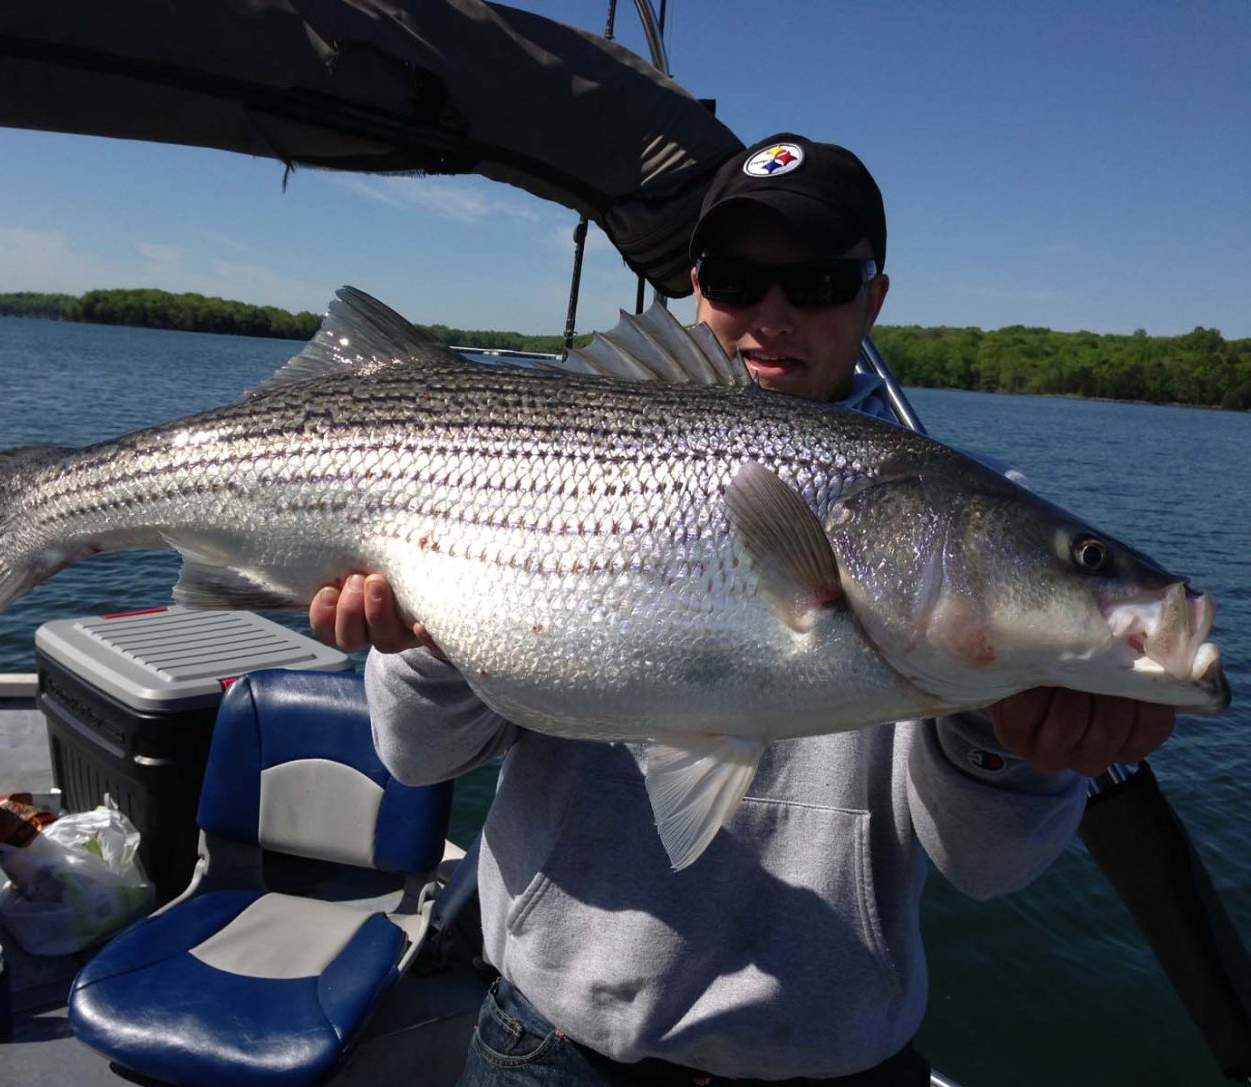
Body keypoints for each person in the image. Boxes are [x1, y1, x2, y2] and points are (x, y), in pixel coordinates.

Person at [307, 133, 1176, 1085]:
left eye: (816, 282)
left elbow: (987, 867)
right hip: (550, 1045)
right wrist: (431, 637)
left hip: (831, 1061)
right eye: (734, 278)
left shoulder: (965, 518)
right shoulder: (543, 453)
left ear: (873, 297)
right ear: (693, 286)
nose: (770, 316)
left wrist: (1000, 738)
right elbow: (416, 755)